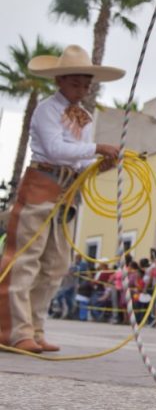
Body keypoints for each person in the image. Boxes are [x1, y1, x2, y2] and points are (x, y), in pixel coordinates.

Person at [0, 45, 123, 354]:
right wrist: (96, 149)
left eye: (86, 85)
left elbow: (78, 162)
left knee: (56, 263)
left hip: (66, 192)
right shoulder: (46, 110)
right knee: (26, 257)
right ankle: (12, 330)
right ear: (59, 81)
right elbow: (55, 149)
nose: (81, 90)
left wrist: (98, 165)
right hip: (41, 183)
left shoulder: (84, 117)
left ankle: (35, 329)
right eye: (75, 83)